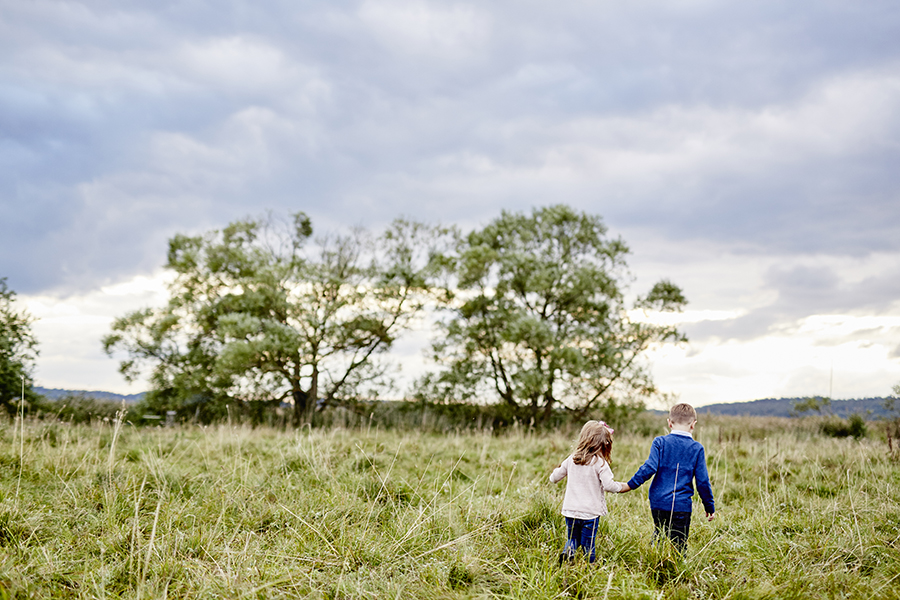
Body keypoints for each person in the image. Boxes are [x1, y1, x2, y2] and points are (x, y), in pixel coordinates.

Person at [619, 403, 715, 552]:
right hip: (681, 505)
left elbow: (649, 467)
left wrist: (630, 485)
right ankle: (675, 570)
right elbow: (702, 482)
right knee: (679, 544)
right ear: (693, 425)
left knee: (660, 535)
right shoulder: (697, 448)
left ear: (669, 422)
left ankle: (653, 565)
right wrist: (709, 505)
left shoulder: (660, 442)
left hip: (658, 502)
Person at [550, 420, 627, 564]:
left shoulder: (571, 459)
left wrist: (553, 474)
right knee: (588, 544)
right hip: (590, 514)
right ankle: (589, 568)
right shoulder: (600, 463)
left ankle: (568, 552)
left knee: (572, 539)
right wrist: (622, 487)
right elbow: (609, 485)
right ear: (602, 445)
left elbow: (554, 478)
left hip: (570, 511)